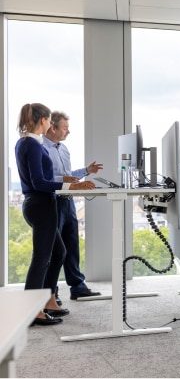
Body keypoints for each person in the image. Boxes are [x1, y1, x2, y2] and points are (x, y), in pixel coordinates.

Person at [15, 103, 95, 326]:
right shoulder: (31, 144)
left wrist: (64, 181)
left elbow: (41, 179)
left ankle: (48, 300)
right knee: (42, 258)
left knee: (59, 252)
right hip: (41, 205)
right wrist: (73, 187)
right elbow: (38, 183)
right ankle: (31, 311)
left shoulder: (27, 142)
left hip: (41, 204)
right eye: (49, 120)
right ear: (43, 121)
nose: (50, 124)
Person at [43, 111, 103, 302]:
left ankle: (77, 286)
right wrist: (64, 179)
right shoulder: (42, 149)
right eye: (65, 128)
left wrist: (87, 171)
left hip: (68, 201)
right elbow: (43, 179)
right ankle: (50, 293)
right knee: (55, 250)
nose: (68, 132)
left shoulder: (64, 149)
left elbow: (69, 175)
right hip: (52, 202)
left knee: (72, 245)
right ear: (53, 127)